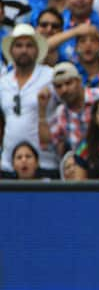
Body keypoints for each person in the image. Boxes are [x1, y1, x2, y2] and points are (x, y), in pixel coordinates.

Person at [1, 24, 55, 177]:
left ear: (37, 50)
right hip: (8, 163)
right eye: (18, 45)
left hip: (45, 161)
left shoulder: (50, 76)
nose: (24, 50)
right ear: (11, 50)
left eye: (29, 45)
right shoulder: (3, 82)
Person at [38, 61, 99, 157]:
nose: (64, 89)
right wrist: (42, 109)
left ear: (79, 81)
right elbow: (46, 143)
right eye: (59, 86)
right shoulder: (61, 113)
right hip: (82, 165)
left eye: (68, 83)